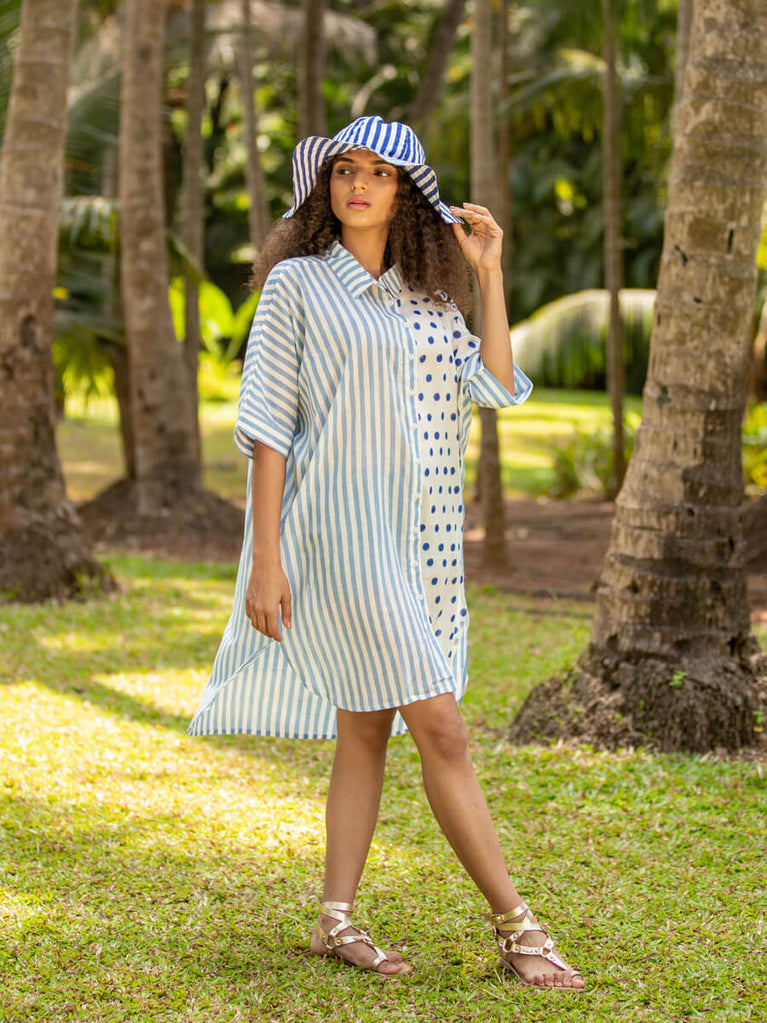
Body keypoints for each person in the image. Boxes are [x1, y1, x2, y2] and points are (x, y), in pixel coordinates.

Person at [188, 116, 584, 991]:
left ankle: (334, 919)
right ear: (324, 186)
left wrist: (488, 275)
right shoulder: (296, 286)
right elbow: (267, 429)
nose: (358, 184)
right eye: (344, 170)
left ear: (406, 193)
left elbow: (494, 385)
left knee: (365, 725)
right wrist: (265, 560)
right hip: (337, 535)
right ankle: (517, 926)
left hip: (423, 544)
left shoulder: (428, 298)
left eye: (379, 172)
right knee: (441, 726)